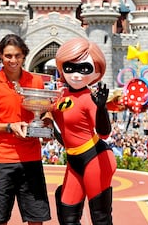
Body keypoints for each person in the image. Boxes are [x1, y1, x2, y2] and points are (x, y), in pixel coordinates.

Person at [0, 34, 51, 225]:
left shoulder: (36, 81)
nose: (13, 60)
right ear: (0, 56)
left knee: (36, 218)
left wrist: (46, 126)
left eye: (17, 55)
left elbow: (46, 112)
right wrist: (9, 127)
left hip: (31, 158)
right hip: (1, 160)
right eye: (8, 56)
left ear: (24, 56)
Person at [52, 37, 117, 224]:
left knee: (100, 217)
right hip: (74, 159)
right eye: (70, 67)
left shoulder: (91, 98)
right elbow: (60, 128)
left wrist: (102, 108)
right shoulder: (60, 95)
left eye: (84, 69)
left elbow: (104, 133)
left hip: (95, 158)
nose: (76, 75)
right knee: (67, 216)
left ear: (96, 71)